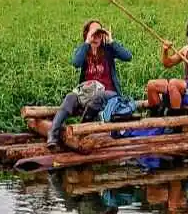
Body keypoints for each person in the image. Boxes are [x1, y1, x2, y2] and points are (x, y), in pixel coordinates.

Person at [48, 20, 133, 149]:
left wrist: (111, 41)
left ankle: (81, 132)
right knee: (70, 97)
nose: (96, 37)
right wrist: (87, 42)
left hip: (108, 94)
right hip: (87, 93)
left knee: (98, 97)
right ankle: (52, 135)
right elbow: (76, 63)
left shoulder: (108, 49)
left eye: (99, 34)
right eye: (94, 34)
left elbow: (128, 57)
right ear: (87, 34)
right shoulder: (84, 50)